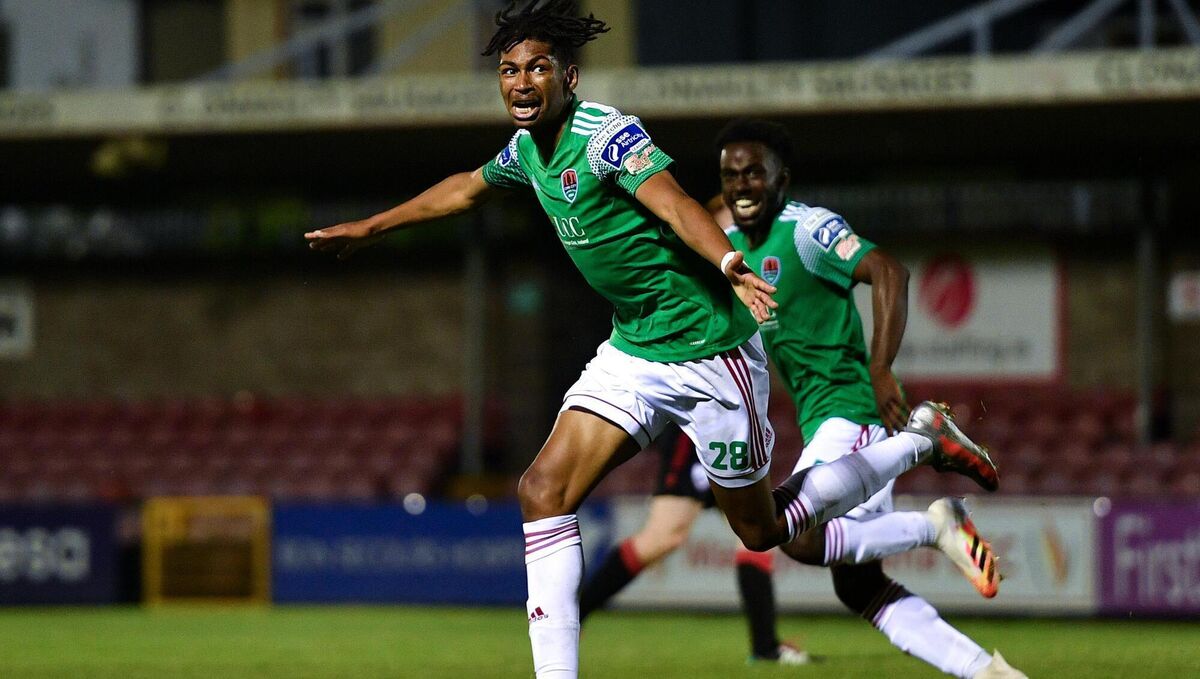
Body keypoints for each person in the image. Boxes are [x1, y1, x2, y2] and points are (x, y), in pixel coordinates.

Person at [306, 3, 998, 676]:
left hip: (710, 353)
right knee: (542, 487)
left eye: (538, 68)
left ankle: (920, 440)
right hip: (635, 350)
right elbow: (463, 189)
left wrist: (729, 264)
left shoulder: (606, 134)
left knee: (763, 530)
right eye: (510, 70)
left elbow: (673, 200)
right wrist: (368, 228)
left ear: (568, 78)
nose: (521, 82)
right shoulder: (525, 149)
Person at [579, 426, 810, 665]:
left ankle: (766, 648)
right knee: (663, 536)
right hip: (695, 432)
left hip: (733, 431)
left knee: (756, 536)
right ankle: (576, 613)